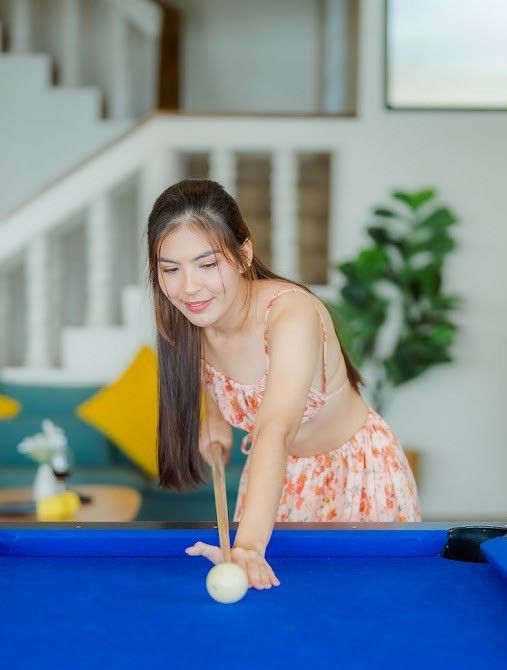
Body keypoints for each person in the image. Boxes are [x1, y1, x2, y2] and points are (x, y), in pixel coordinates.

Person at [148, 179, 421, 589]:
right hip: (276, 479)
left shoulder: (290, 315)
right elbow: (216, 379)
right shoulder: (188, 322)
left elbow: (274, 429)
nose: (189, 287)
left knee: (370, 612)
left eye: (207, 265)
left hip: (356, 475)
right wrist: (217, 421)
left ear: (243, 255)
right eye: (170, 269)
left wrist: (251, 546)